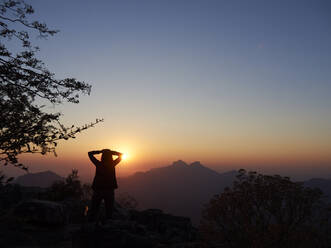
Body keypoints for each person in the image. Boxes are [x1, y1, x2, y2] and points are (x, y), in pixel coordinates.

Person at [88, 149, 122, 221]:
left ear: (102, 157)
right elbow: (121, 155)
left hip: (98, 190)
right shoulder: (112, 164)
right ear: (111, 157)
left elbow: (89, 154)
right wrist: (112, 152)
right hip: (109, 190)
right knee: (109, 211)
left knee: (94, 209)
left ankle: (91, 225)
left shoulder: (98, 164)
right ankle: (108, 226)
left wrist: (100, 151)